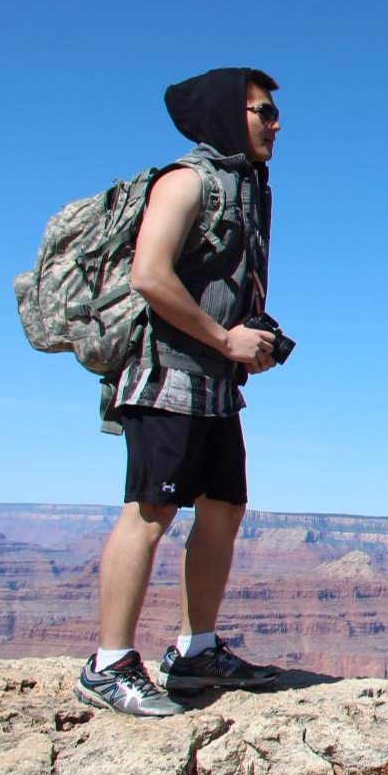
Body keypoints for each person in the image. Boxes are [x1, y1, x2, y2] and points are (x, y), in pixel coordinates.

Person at [74, 68, 288, 717]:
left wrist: (254, 337)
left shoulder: (248, 189)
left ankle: (194, 651)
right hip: (165, 373)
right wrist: (225, 341)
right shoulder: (185, 181)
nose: (276, 123)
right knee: (150, 512)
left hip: (215, 386)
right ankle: (108, 663)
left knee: (223, 507)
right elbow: (149, 275)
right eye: (263, 111)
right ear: (230, 113)